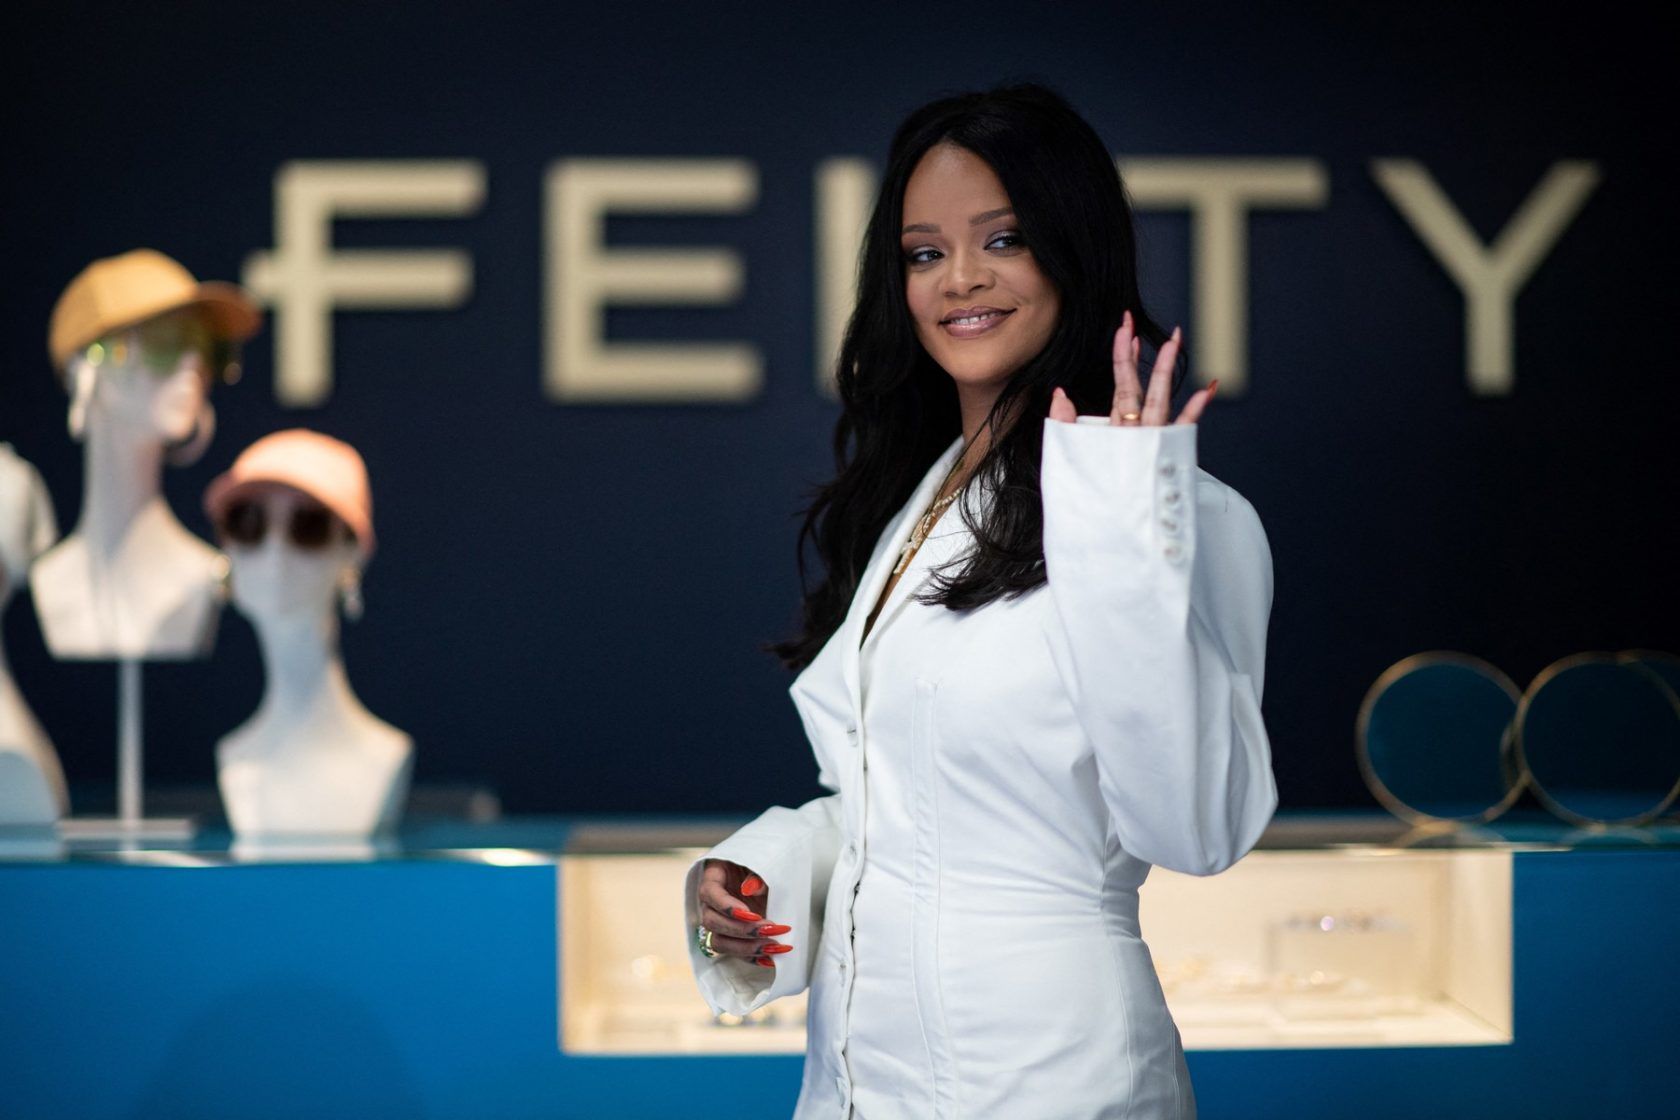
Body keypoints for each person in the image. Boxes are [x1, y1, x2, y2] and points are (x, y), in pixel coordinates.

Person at [683, 82, 1277, 1118]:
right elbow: (909, 804)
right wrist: (762, 875)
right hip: (860, 1079)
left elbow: (1195, 827)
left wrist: (1126, 532)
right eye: (924, 253)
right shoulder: (916, 500)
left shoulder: (1183, 516)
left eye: (1003, 239)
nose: (960, 278)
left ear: (1073, 250)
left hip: (1053, 1075)